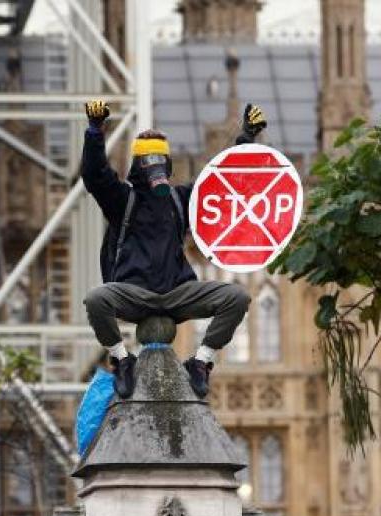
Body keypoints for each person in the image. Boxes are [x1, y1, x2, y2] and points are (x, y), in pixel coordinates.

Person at [80, 99, 268, 399]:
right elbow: (95, 175)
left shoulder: (180, 201)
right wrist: (95, 130)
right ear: (139, 166)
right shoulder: (123, 201)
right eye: (149, 160)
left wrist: (246, 136)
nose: (155, 166)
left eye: (159, 160)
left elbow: (219, 180)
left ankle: (201, 361)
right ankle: (121, 359)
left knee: (236, 297)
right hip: (134, 293)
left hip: (177, 294)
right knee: (96, 300)